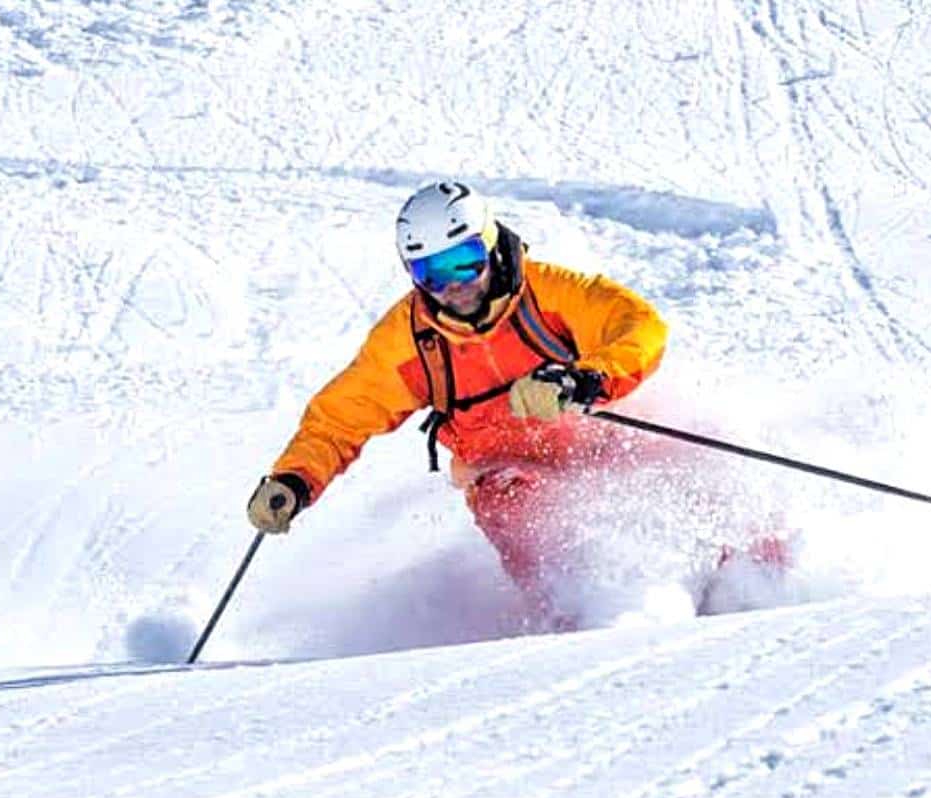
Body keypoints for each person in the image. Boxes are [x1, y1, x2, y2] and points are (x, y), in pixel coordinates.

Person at [246, 181, 671, 624]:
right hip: (508, 470)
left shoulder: (549, 295)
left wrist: (583, 378)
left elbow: (638, 326)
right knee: (513, 510)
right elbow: (341, 418)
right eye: (431, 273)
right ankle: (582, 619)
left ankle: (741, 575)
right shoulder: (407, 340)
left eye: (463, 263)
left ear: (490, 246)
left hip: (603, 435)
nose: (452, 287)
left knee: (673, 468)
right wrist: (294, 480)